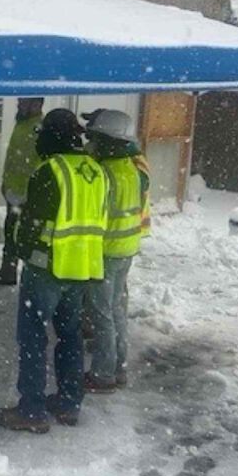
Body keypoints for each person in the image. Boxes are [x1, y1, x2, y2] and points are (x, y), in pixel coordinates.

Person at [0, 109, 109, 433]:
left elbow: (32, 224)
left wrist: (16, 248)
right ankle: (69, 402)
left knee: (32, 338)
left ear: (50, 136)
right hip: (82, 269)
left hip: (46, 269)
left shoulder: (50, 171)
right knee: (69, 335)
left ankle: (31, 410)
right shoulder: (96, 170)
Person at [83, 109, 149, 390]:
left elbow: (94, 215)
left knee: (102, 315)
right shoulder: (134, 169)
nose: (91, 143)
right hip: (127, 249)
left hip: (107, 251)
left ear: (109, 140)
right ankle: (119, 367)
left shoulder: (104, 173)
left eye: (95, 137)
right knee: (117, 309)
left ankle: (103, 374)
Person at [0, 98, 44, 286]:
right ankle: (8, 271)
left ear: (37, 105)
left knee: (27, 236)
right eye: (19, 102)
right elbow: (14, 158)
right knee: (11, 232)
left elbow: (41, 163)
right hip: (14, 192)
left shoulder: (40, 129)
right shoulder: (22, 124)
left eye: (23, 103)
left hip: (29, 194)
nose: (19, 106)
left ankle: (30, 276)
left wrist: (33, 191)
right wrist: (5, 183)